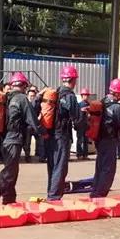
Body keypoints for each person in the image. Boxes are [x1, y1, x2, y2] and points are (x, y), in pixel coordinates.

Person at [0, 72, 45, 205]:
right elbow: (32, 119)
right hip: (14, 139)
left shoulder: (7, 97)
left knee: (12, 170)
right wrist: (43, 132)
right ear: (24, 86)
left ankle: (9, 199)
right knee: (9, 172)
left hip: (5, 138)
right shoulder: (22, 99)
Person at [91, 79, 120, 198]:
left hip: (99, 139)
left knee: (100, 166)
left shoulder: (102, 102)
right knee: (108, 169)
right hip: (109, 140)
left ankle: (95, 191)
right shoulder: (117, 107)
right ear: (118, 93)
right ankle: (100, 194)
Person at [44, 65, 81, 200]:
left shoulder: (56, 93)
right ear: (74, 80)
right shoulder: (70, 96)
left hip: (50, 134)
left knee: (52, 166)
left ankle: (50, 193)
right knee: (60, 167)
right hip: (61, 135)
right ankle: (54, 197)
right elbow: (77, 117)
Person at [76, 88, 91, 160]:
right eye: (85, 95)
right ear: (82, 96)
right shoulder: (78, 105)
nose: (86, 97)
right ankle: (79, 154)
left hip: (86, 125)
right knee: (80, 139)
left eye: (87, 95)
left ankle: (85, 154)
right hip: (80, 125)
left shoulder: (89, 105)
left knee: (86, 140)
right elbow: (76, 115)